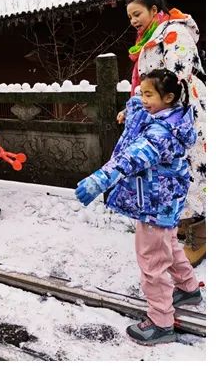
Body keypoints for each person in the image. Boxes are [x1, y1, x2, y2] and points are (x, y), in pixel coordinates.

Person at [76, 69, 201, 345]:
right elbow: (138, 104)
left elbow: (131, 157)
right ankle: (189, 288)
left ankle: (161, 320)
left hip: (155, 204)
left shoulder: (159, 134)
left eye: (149, 95)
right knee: (169, 244)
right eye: (141, 93)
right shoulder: (171, 115)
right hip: (167, 201)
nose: (142, 99)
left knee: (152, 261)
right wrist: (131, 106)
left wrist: (99, 180)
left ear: (168, 97)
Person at [123, 0, 206, 266]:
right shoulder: (147, 41)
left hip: (184, 110)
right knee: (173, 168)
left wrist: (153, 105)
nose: (133, 20)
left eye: (137, 14)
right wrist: (134, 107)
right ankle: (185, 221)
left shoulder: (173, 31)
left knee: (193, 167)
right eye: (130, 16)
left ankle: (202, 231)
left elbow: (176, 74)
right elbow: (148, 85)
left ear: (154, 11)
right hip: (164, 112)